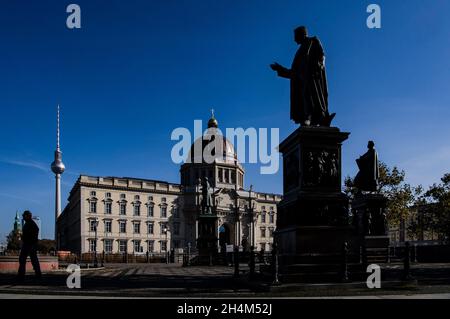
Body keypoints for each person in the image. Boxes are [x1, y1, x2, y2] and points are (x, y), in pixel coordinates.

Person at [271, 26, 335, 126]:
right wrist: (280, 69)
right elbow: (294, 72)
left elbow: (321, 55)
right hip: (301, 81)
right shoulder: (300, 51)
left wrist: (319, 65)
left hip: (312, 78)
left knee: (312, 98)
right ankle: (308, 117)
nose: (294, 39)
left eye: (295, 36)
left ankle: (316, 117)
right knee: (304, 99)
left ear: (302, 34)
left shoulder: (313, 41)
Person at [17, 210, 42, 280]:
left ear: (27, 216)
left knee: (25, 259)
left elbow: (35, 231)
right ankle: (37, 274)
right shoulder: (28, 223)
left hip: (29, 244)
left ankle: (22, 275)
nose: (23, 217)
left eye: (24, 216)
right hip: (29, 244)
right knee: (31, 260)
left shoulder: (30, 223)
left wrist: (30, 239)